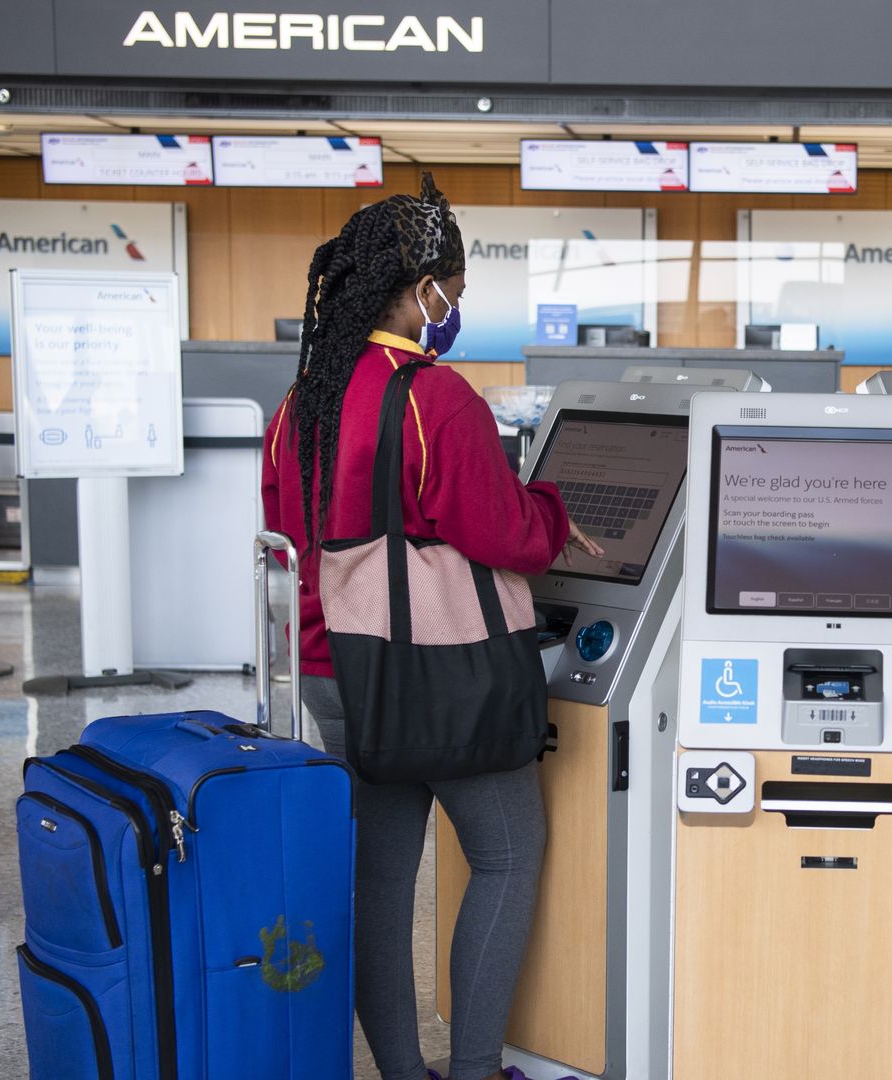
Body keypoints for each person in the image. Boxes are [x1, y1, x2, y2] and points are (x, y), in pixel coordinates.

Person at [260, 174, 602, 1080]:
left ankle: (404, 1073)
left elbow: (291, 539)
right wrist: (556, 509)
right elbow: (503, 534)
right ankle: (479, 1066)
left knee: (378, 881)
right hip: (432, 675)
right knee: (507, 854)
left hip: (335, 672)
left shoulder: (303, 401)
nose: (452, 309)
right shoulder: (430, 396)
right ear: (421, 292)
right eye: (451, 291)